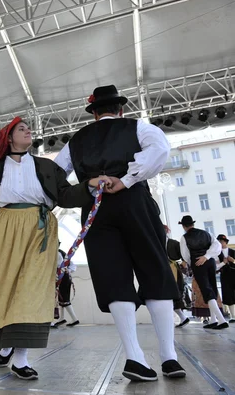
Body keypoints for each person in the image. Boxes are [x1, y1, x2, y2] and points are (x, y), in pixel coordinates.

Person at [0, 117, 108, 380]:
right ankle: (7, 344)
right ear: (9, 138)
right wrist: (8, 220)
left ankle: (20, 358)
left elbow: (65, 195)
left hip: (38, 229)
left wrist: (89, 185)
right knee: (3, 289)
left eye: (28, 129)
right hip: (3, 230)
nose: (28, 131)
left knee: (31, 291)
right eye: (21, 129)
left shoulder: (46, 167)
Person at [54, 85, 185, 381]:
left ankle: (134, 357)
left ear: (95, 112)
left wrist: (87, 185)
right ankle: (169, 357)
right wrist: (126, 179)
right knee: (154, 269)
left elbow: (53, 174)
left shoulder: (76, 141)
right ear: (120, 109)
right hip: (134, 201)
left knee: (113, 276)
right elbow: (160, 149)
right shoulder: (138, 126)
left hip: (96, 208)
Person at [179, 215, 228, 330]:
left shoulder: (184, 237)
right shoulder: (206, 233)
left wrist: (194, 263)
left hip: (198, 263)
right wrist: (207, 256)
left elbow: (185, 255)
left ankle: (221, 320)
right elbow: (217, 245)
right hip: (210, 262)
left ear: (184, 226)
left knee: (207, 290)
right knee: (212, 288)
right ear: (193, 224)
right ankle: (213, 320)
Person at [164, 225, 189, 328]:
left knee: (173, 292)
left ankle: (179, 318)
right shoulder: (156, 243)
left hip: (173, 268)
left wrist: (184, 261)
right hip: (163, 270)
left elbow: (185, 254)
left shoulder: (173, 243)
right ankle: (182, 317)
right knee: (166, 294)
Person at [52, 248, 79, 328]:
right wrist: (69, 270)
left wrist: (67, 271)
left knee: (64, 299)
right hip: (65, 277)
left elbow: (58, 266)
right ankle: (62, 318)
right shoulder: (62, 252)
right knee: (62, 299)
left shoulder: (57, 253)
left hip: (62, 278)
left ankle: (74, 319)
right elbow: (72, 265)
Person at [216, 234, 235, 323]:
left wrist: (233, 261)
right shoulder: (217, 254)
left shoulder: (232, 251)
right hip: (224, 276)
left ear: (226, 242)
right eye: (219, 242)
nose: (221, 243)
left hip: (233, 274)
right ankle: (233, 315)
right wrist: (223, 263)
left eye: (222, 241)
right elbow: (216, 266)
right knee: (228, 295)